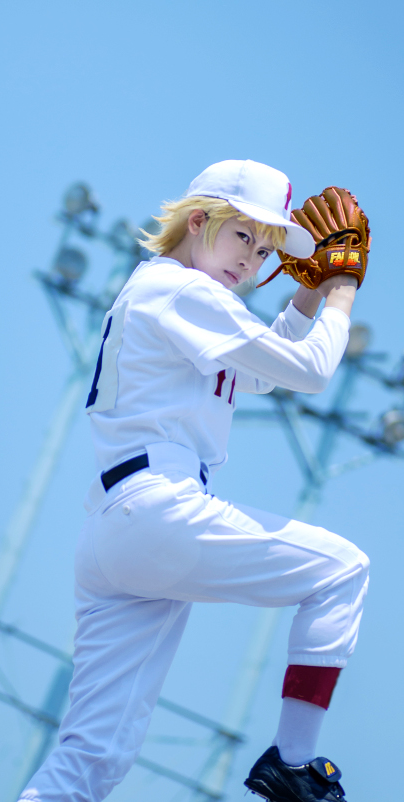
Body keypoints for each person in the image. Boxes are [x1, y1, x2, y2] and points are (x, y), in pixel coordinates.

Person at [18, 159, 369, 802]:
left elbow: (260, 372)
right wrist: (344, 288)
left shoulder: (168, 291)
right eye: (244, 236)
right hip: (158, 510)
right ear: (200, 220)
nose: (253, 259)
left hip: (114, 529)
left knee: (93, 755)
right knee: (342, 569)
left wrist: (308, 292)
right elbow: (311, 372)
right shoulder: (185, 291)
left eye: (267, 249)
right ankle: (293, 761)